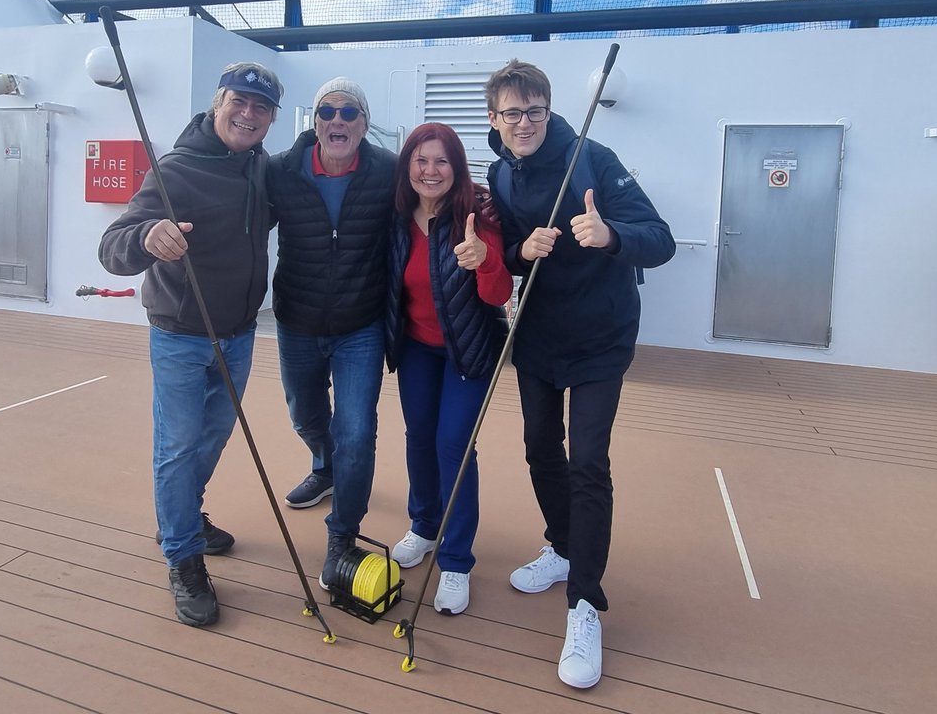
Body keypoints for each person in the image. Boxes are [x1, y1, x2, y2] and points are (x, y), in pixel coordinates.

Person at [484, 58, 674, 688]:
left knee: (588, 462)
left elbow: (660, 238)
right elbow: (509, 253)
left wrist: (610, 233)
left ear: (548, 108)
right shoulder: (499, 174)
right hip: (537, 338)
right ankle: (564, 547)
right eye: (512, 112)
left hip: (599, 340)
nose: (524, 122)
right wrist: (519, 251)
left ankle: (585, 602)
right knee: (541, 450)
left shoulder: (593, 157)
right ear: (495, 119)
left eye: (534, 109)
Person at [98, 62, 283, 628]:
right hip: (181, 334)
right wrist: (146, 238)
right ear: (217, 103)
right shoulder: (173, 170)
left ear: (271, 119)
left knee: (211, 438)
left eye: (261, 108)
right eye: (240, 102)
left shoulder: (262, 169)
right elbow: (113, 247)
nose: (248, 114)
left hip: (241, 333)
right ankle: (182, 556)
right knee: (178, 447)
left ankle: (180, 517)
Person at [267, 77, 397, 586]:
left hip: (359, 325)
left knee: (357, 431)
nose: (337, 121)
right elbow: (240, 217)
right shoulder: (279, 171)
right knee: (305, 414)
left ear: (365, 124)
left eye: (349, 112)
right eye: (328, 111)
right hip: (296, 320)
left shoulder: (389, 171)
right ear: (314, 120)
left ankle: (342, 533)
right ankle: (324, 465)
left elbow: (439, 195)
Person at [382, 123, 512, 615]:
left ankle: (456, 562)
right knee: (419, 437)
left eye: (441, 161)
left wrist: (484, 261)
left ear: (456, 167)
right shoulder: (397, 215)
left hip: (470, 350)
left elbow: (499, 295)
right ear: (407, 167)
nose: (430, 171)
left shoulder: (476, 213)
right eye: (421, 160)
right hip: (416, 347)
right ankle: (425, 527)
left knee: (453, 445)